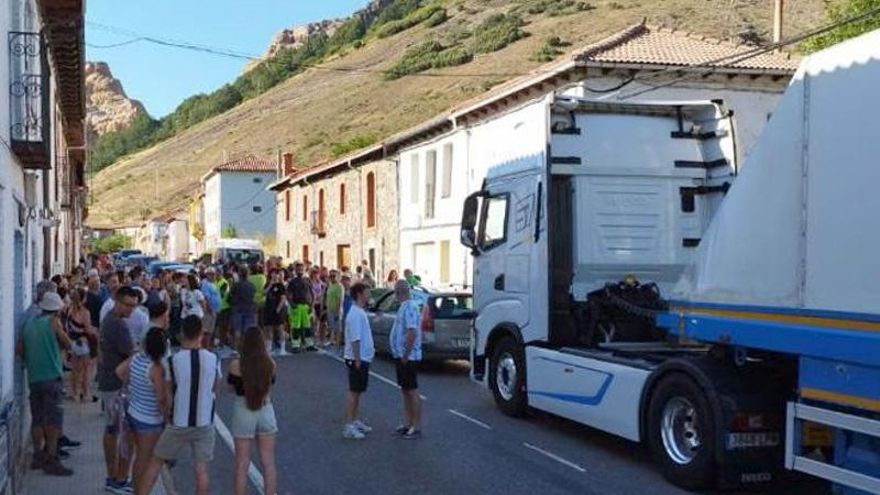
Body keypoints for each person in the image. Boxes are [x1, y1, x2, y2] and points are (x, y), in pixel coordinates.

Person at [136, 315, 220, 495]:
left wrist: (166, 415)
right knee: (201, 470)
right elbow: (214, 388)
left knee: (156, 461)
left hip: (178, 422)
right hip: (205, 422)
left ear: (182, 334)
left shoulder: (172, 361)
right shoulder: (213, 359)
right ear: (201, 334)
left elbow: (168, 394)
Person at [18, 292, 73, 476]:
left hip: (34, 378)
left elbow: (20, 350)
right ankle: (52, 459)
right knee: (53, 421)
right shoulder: (53, 322)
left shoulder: (28, 324)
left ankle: (37, 456)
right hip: (51, 377)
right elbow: (67, 343)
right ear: (56, 310)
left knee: (38, 419)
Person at [116, 328, 169, 491]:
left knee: (138, 456)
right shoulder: (156, 368)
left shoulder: (137, 358)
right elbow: (161, 398)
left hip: (133, 412)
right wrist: (167, 419)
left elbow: (119, 372)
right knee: (143, 460)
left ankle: (136, 488)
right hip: (149, 421)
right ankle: (139, 490)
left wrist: (133, 385)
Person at [227, 327, 278, 495]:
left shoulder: (236, 365)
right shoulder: (270, 364)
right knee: (268, 462)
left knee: (242, 464)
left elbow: (230, 388)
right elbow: (270, 387)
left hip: (243, 409)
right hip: (265, 408)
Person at [99, 286, 139, 493]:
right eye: (128, 305)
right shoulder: (117, 324)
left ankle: (115, 477)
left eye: (134, 306)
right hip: (116, 384)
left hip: (110, 381)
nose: (131, 309)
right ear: (117, 301)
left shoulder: (110, 320)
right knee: (121, 433)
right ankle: (118, 479)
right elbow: (130, 352)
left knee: (113, 430)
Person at [390, 280, 423, 439]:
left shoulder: (410, 307)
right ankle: (408, 423)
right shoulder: (404, 306)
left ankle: (416, 426)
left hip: (408, 356)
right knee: (405, 390)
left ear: (399, 293)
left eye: (395, 293)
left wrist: (405, 354)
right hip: (402, 356)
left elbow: (412, 332)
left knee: (411, 390)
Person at [342, 283, 375, 440]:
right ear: (360, 294)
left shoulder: (359, 311)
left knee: (358, 391)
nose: (369, 295)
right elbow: (355, 338)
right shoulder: (355, 314)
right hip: (357, 358)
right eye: (367, 293)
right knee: (354, 391)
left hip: (363, 357)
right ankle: (349, 425)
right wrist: (357, 359)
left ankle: (355, 420)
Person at [62, 287, 96, 402]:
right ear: (84, 298)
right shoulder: (85, 312)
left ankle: (75, 393)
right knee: (86, 370)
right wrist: (95, 331)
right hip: (83, 343)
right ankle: (86, 394)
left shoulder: (68, 309)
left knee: (75, 370)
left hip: (72, 342)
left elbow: (67, 326)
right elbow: (87, 329)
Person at [286, 262, 314, 352]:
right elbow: (289, 294)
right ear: (295, 270)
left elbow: (312, 293)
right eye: (298, 269)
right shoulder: (292, 282)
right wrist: (292, 304)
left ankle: (309, 344)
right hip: (297, 306)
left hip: (306, 306)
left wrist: (311, 305)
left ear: (304, 269)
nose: (300, 271)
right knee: (296, 327)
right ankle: (295, 345)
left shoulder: (308, 280)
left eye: (301, 269)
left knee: (308, 327)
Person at [229, 266, 257, 351]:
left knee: (237, 330)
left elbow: (231, 294)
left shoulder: (236, 285)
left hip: (237, 309)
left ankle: (236, 349)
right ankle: (244, 348)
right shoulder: (252, 286)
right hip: (249, 309)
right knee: (246, 331)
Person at [263, 269, 288, 356]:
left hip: (277, 310)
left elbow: (283, 298)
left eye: (276, 274)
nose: (274, 276)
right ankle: (269, 349)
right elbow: (264, 293)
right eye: (272, 274)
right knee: (269, 329)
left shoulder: (281, 286)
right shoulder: (268, 284)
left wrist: (278, 309)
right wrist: (270, 284)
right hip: (268, 309)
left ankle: (282, 349)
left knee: (279, 329)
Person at [200, 269, 221, 349]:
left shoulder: (213, 284)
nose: (213, 276)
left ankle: (208, 346)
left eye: (214, 274)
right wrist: (209, 308)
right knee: (206, 330)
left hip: (215, 310)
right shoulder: (205, 284)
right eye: (211, 274)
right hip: (209, 311)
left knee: (210, 330)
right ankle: (204, 347)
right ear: (207, 275)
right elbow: (206, 298)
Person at [324, 270, 344, 353]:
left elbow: (340, 300)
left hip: (336, 310)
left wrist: (338, 312)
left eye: (334, 276)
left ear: (338, 277)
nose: (332, 278)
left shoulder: (339, 286)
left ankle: (338, 348)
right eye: (330, 276)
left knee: (338, 329)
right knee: (332, 327)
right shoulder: (330, 286)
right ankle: (332, 342)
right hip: (330, 310)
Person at [309, 267, 326, 346]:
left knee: (321, 321)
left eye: (317, 274)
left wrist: (322, 294)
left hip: (319, 303)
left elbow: (325, 286)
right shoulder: (310, 282)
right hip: (313, 303)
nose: (316, 276)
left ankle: (320, 338)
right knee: (314, 321)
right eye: (314, 274)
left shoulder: (320, 282)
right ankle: (314, 338)